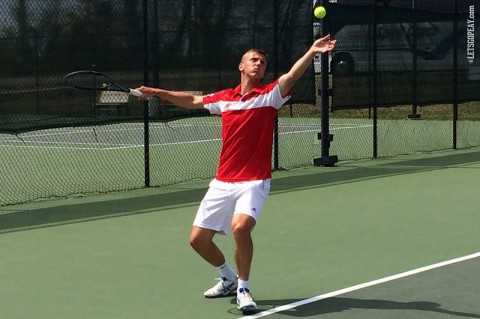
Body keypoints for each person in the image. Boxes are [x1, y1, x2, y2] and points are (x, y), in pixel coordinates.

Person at [136, 35, 336, 313]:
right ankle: (228, 277)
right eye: (254, 60)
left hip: (254, 181)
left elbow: (291, 76)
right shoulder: (225, 99)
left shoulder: (270, 96)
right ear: (240, 66)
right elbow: (193, 100)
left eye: (263, 62)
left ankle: (243, 288)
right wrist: (158, 92)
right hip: (223, 181)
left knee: (241, 227)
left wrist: (313, 51)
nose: (259, 64)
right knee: (198, 240)